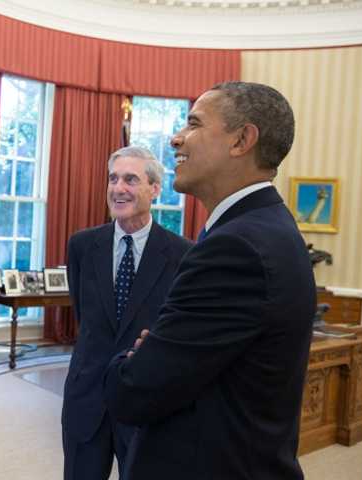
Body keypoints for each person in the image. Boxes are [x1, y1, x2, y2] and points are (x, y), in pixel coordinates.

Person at [103, 82, 316, 479]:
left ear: (241, 140)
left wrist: (126, 361)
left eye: (194, 124)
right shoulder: (265, 227)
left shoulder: (237, 247)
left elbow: (134, 390)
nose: (175, 138)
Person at [62, 146, 192, 479]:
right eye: (113, 178)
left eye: (131, 179)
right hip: (86, 397)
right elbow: (85, 316)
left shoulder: (183, 254)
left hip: (146, 402)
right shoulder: (81, 246)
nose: (119, 188)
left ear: (155, 189)